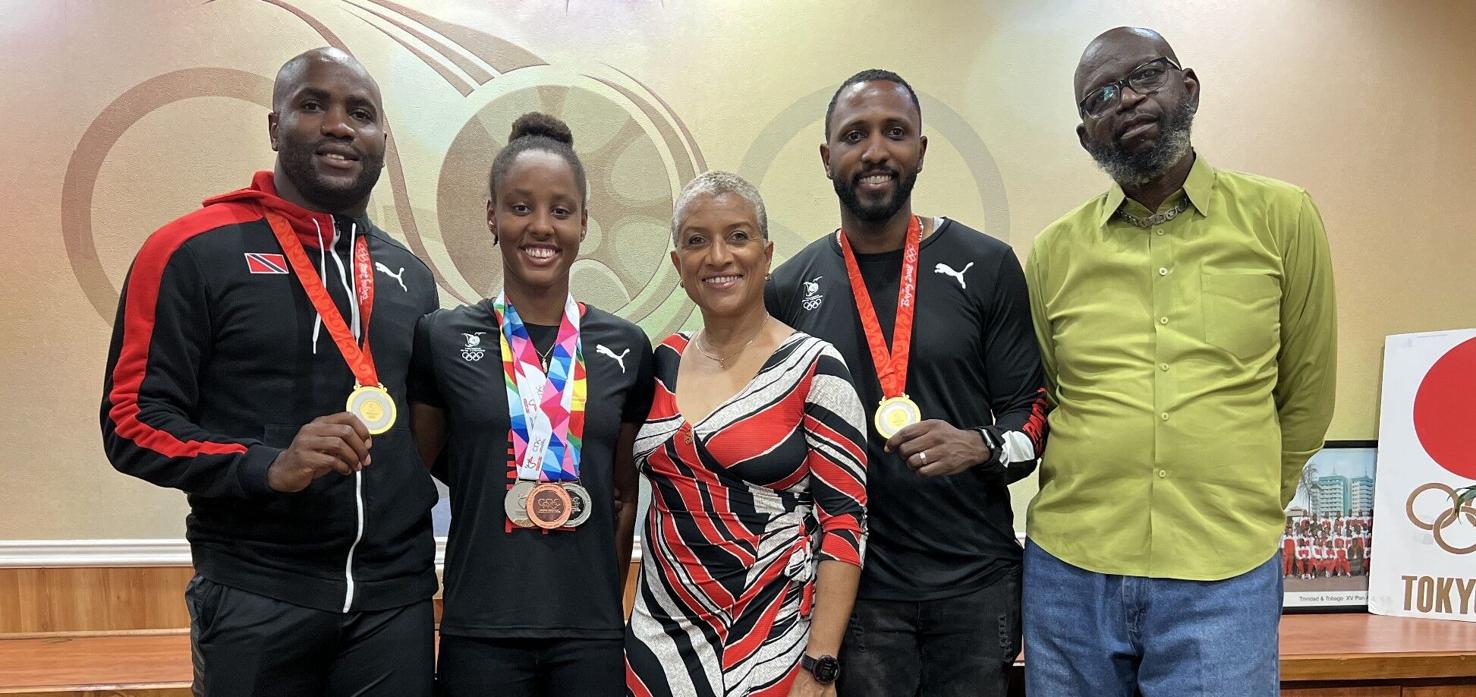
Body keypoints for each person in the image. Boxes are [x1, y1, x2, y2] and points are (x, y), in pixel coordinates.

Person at [100, 48, 439, 696]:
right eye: (314, 105)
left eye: (360, 113)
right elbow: (131, 421)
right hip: (257, 588)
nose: (339, 124)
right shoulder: (191, 249)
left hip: (394, 600)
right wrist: (265, 463)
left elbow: (427, 431)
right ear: (275, 126)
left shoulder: (410, 277)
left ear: (382, 140)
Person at [1023, 27, 1337, 696]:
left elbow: (1307, 393)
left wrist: (1244, 500)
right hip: (1070, 578)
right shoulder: (1053, 252)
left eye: (1144, 76)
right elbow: (1049, 394)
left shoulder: (1282, 218)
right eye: (1100, 96)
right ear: (1086, 136)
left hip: (1224, 575)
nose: (1127, 100)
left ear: (1187, 87)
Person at [765, 69, 1048, 697]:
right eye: (854, 134)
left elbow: (1032, 412)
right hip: (853, 591)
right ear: (826, 156)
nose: (875, 151)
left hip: (976, 584)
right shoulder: (787, 288)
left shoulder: (988, 265)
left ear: (920, 150)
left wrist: (979, 444)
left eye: (895, 132)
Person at [408, 113, 654, 697]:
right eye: (520, 207)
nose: (540, 226)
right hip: (479, 627)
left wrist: (598, 602)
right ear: (492, 215)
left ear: (583, 224)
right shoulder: (440, 339)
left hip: (589, 634)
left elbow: (621, 495)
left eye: (560, 210)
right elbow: (421, 474)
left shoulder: (625, 346)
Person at [625, 171, 868, 697]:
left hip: (772, 646)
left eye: (738, 236)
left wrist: (820, 665)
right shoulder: (658, 360)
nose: (718, 256)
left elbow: (846, 524)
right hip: (656, 645)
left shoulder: (816, 369)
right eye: (696, 240)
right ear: (677, 264)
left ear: (766, 252)